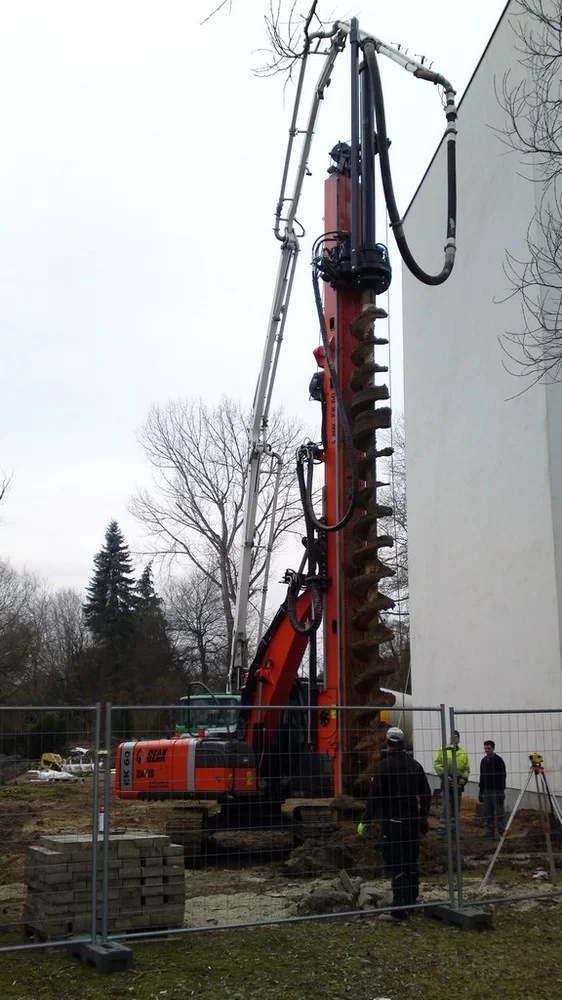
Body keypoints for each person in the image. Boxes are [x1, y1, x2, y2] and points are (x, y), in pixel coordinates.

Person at [357, 726, 431, 922]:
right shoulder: (415, 766)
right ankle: (411, 902)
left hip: (393, 824)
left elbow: (374, 797)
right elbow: (426, 794)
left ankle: (399, 909)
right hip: (412, 823)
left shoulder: (383, 767)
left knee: (396, 864)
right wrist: (423, 817)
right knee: (410, 862)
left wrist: (365, 820)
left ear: (387, 743)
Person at [434, 730, 470, 835]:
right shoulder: (444, 750)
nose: (454, 739)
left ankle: (454, 830)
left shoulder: (462, 753)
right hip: (447, 782)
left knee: (456, 807)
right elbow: (437, 765)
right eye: (452, 737)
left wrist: (464, 778)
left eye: (456, 737)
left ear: (458, 739)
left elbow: (466, 769)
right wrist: (445, 775)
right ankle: (442, 830)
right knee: (446, 806)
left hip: (458, 784)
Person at [479, 739, 506, 837]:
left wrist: (501, 791)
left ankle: (502, 831)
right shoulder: (483, 761)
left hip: (496, 790)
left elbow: (503, 776)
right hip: (486, 790)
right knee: (488, 811)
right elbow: (482, 776)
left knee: (499, 812)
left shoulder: (498, 760)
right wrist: (481, 791)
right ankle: (489, 831)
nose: (487, 750)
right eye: (485, 748)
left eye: (489, 748)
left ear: (493, 749)